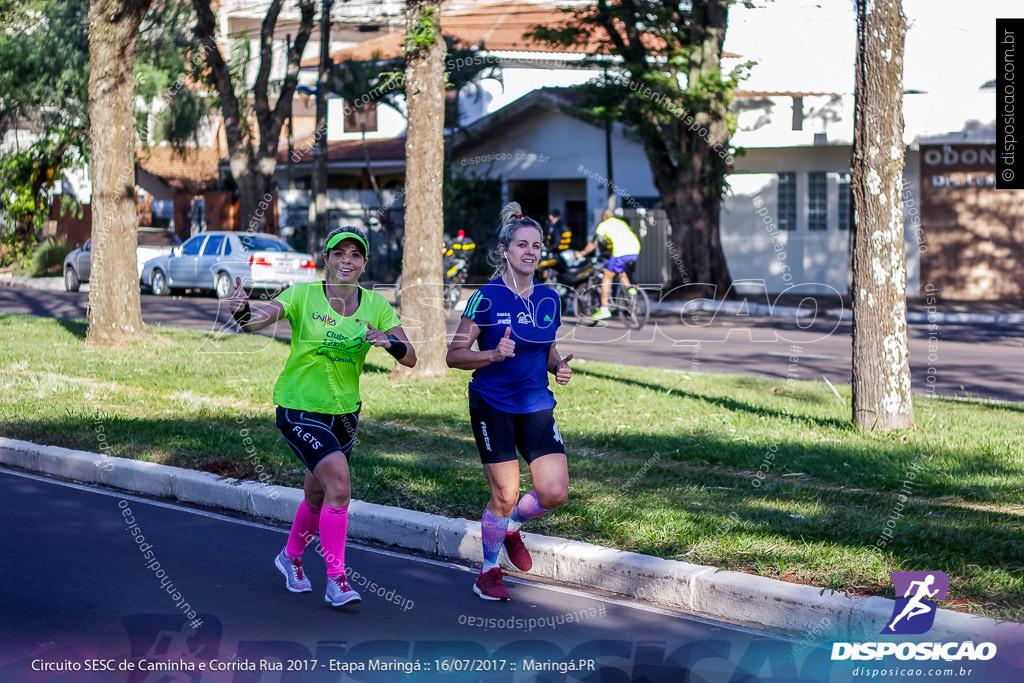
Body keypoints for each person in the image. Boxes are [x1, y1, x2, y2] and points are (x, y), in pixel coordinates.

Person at [228, 226, 416, 608]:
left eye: (355, 255)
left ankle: (291, 558)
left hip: (344, 414)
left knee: (317, 495)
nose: (347, 260)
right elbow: (255, 321)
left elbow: (410, 356)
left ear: (364, 263)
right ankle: (337, 580)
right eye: (339, 253)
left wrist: (387, 339)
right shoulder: (303, 294)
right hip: (299, 407)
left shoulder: (375, 305)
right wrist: (242, 310)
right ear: (326, 259)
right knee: (340, 487)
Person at [446, 202, 574, 601]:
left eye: (536, 245)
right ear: (505, 249)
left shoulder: (550, 298)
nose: (530, 251)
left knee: (554, 493)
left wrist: (557, 367)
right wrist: (491, 355)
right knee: (504, 494)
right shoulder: (484, 297)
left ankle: (512, 527)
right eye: (522, 244)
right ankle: (487, 572)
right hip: (493, 404)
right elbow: (454, 355)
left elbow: (547, 347)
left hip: (536, 404)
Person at [576, 209, 641, 321]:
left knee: (607, 276)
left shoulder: (603, 225)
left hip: (621, 252)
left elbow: (594, 242)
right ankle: (629, 290)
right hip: (635, 250)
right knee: (620, 270)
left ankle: (604, 309)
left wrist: (583, 253)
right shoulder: (621, 223)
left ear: (604, 217)